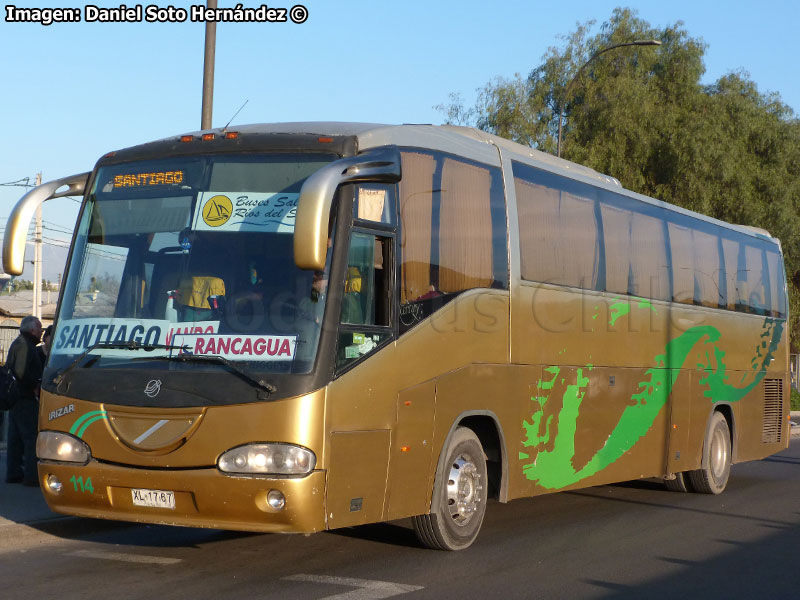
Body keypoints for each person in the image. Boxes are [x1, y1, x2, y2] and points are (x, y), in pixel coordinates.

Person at [5, 316, 44, 486]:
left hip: (16, 397)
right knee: (30, 437)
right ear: (32, 330)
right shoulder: (24, 346)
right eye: (40, 329)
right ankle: (31, 475)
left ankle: (14, 473)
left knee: (16, 438)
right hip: (24, 397)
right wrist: (34, 385)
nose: (42, 332)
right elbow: (21, 372)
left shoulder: (20, 343)